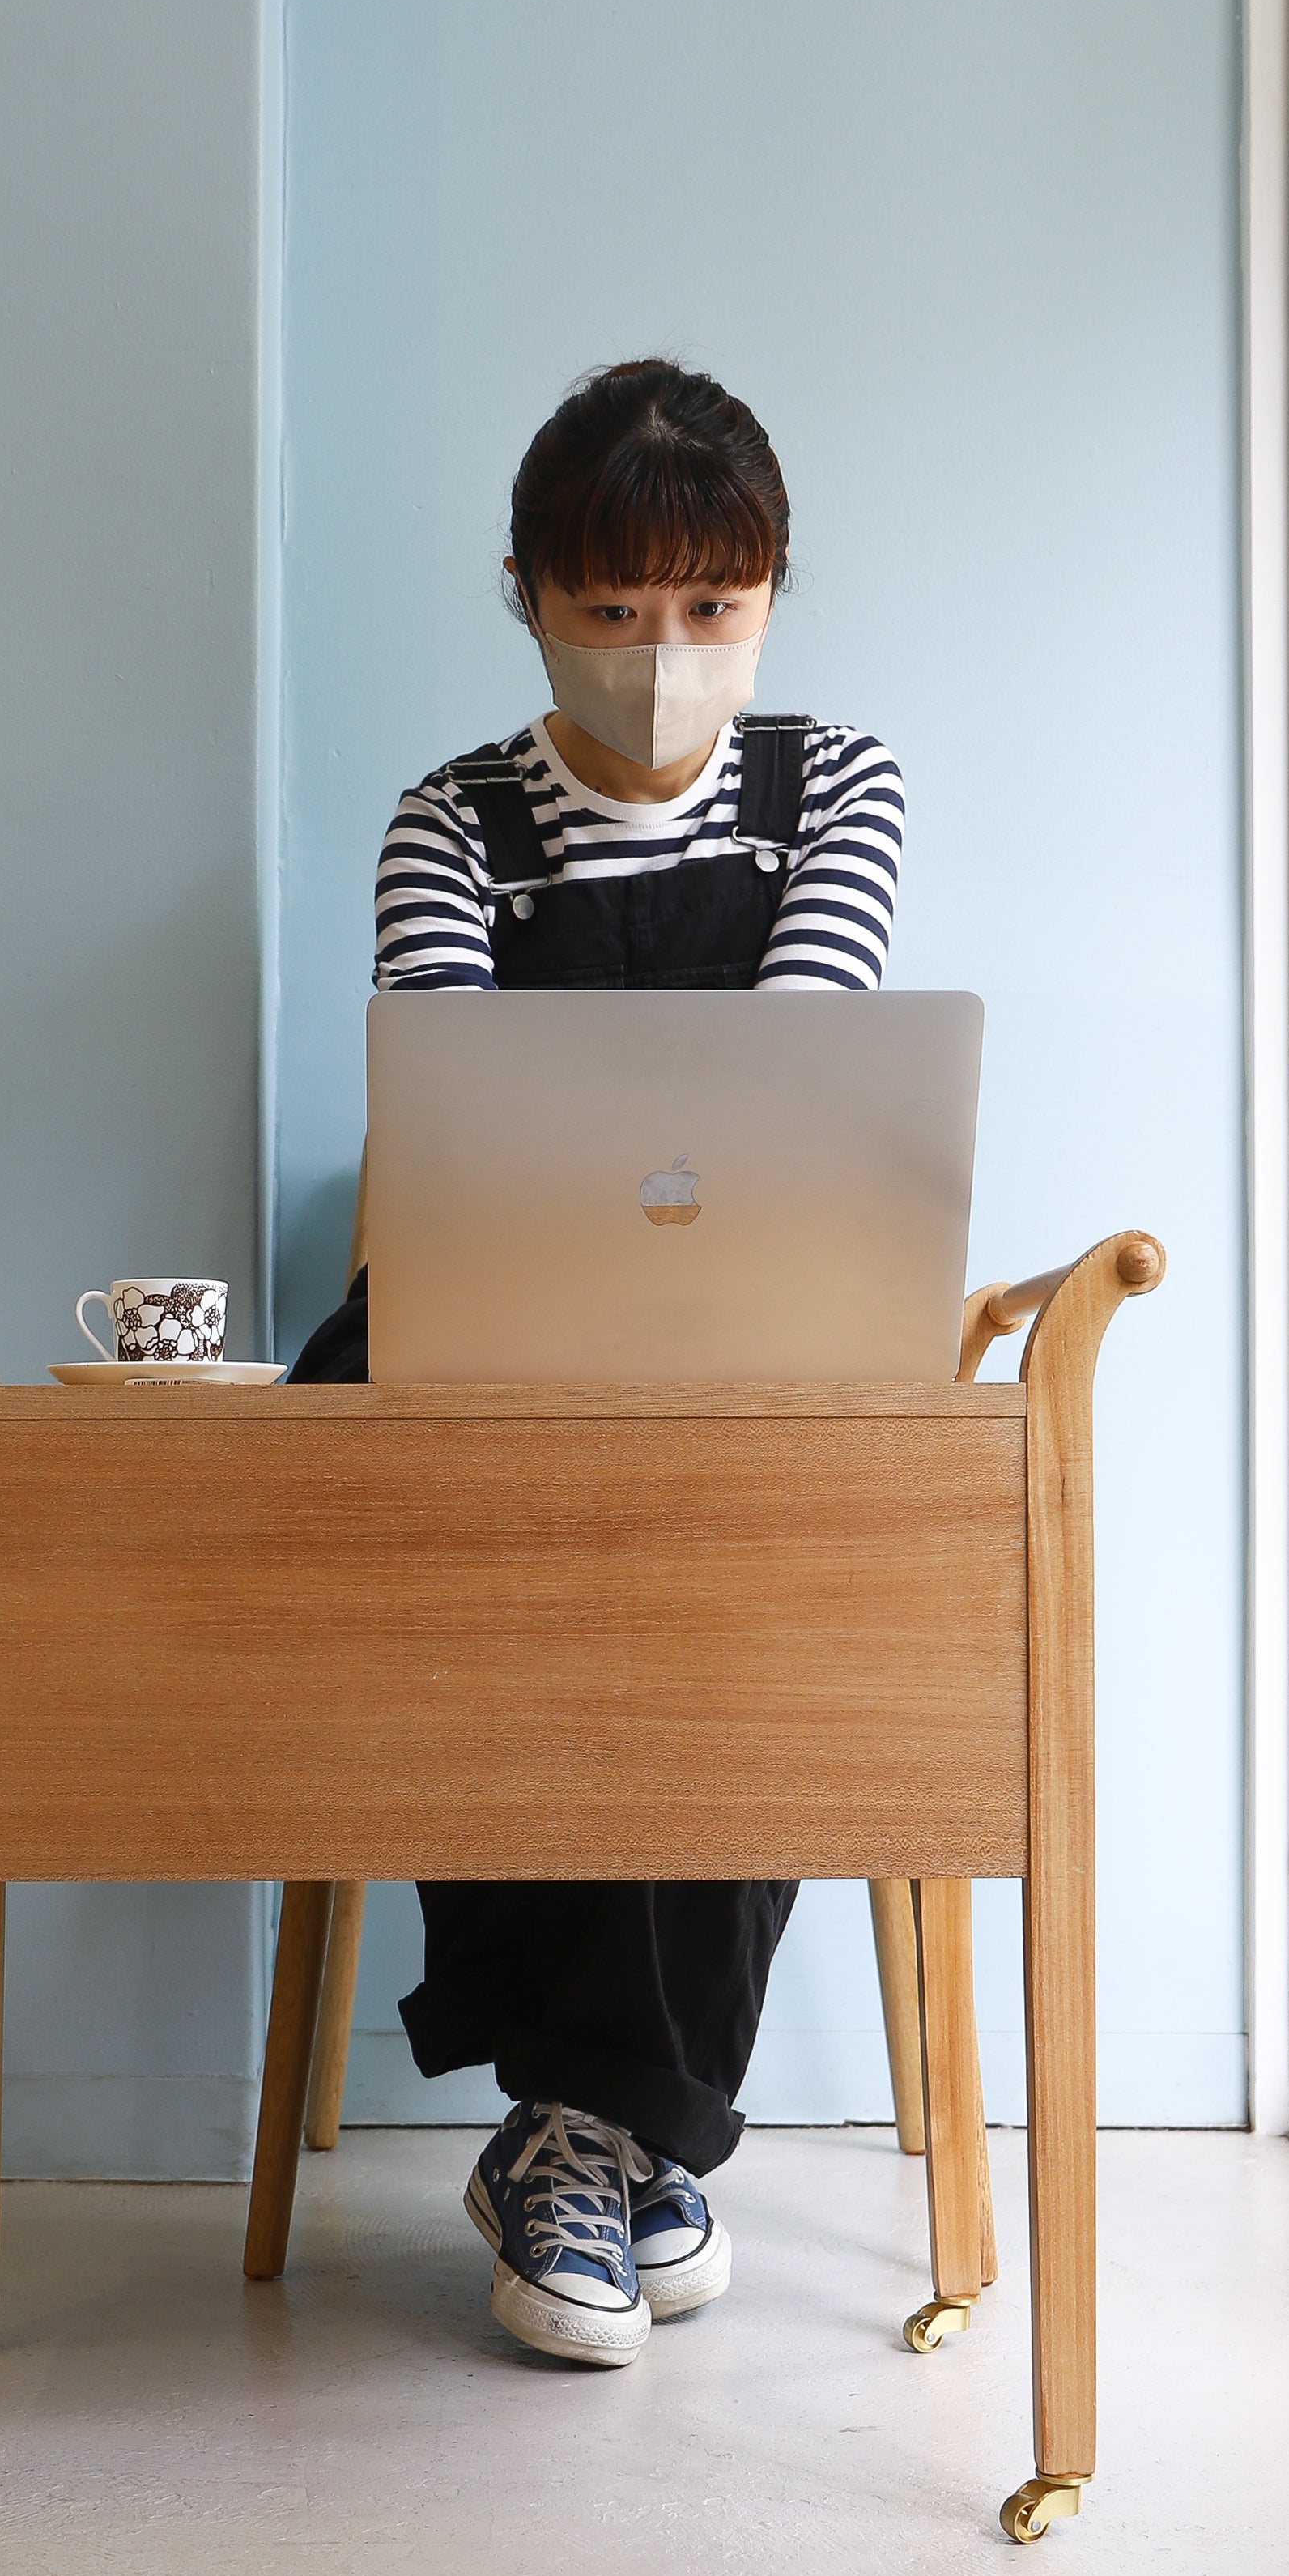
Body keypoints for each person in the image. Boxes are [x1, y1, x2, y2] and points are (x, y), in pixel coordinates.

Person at [288, 359, 904, 2370]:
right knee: (504, 1560)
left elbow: (796, 1095)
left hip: (754, 1349)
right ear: (530, 597)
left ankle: (583, 2132)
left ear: (771, 603)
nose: (664, 659)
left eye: (711, 611)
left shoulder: (839, 788)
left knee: (746, 1566)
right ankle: (629, 2141)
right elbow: (457, 1145)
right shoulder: (447, 819)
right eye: (614, 611)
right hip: (478, 1335)